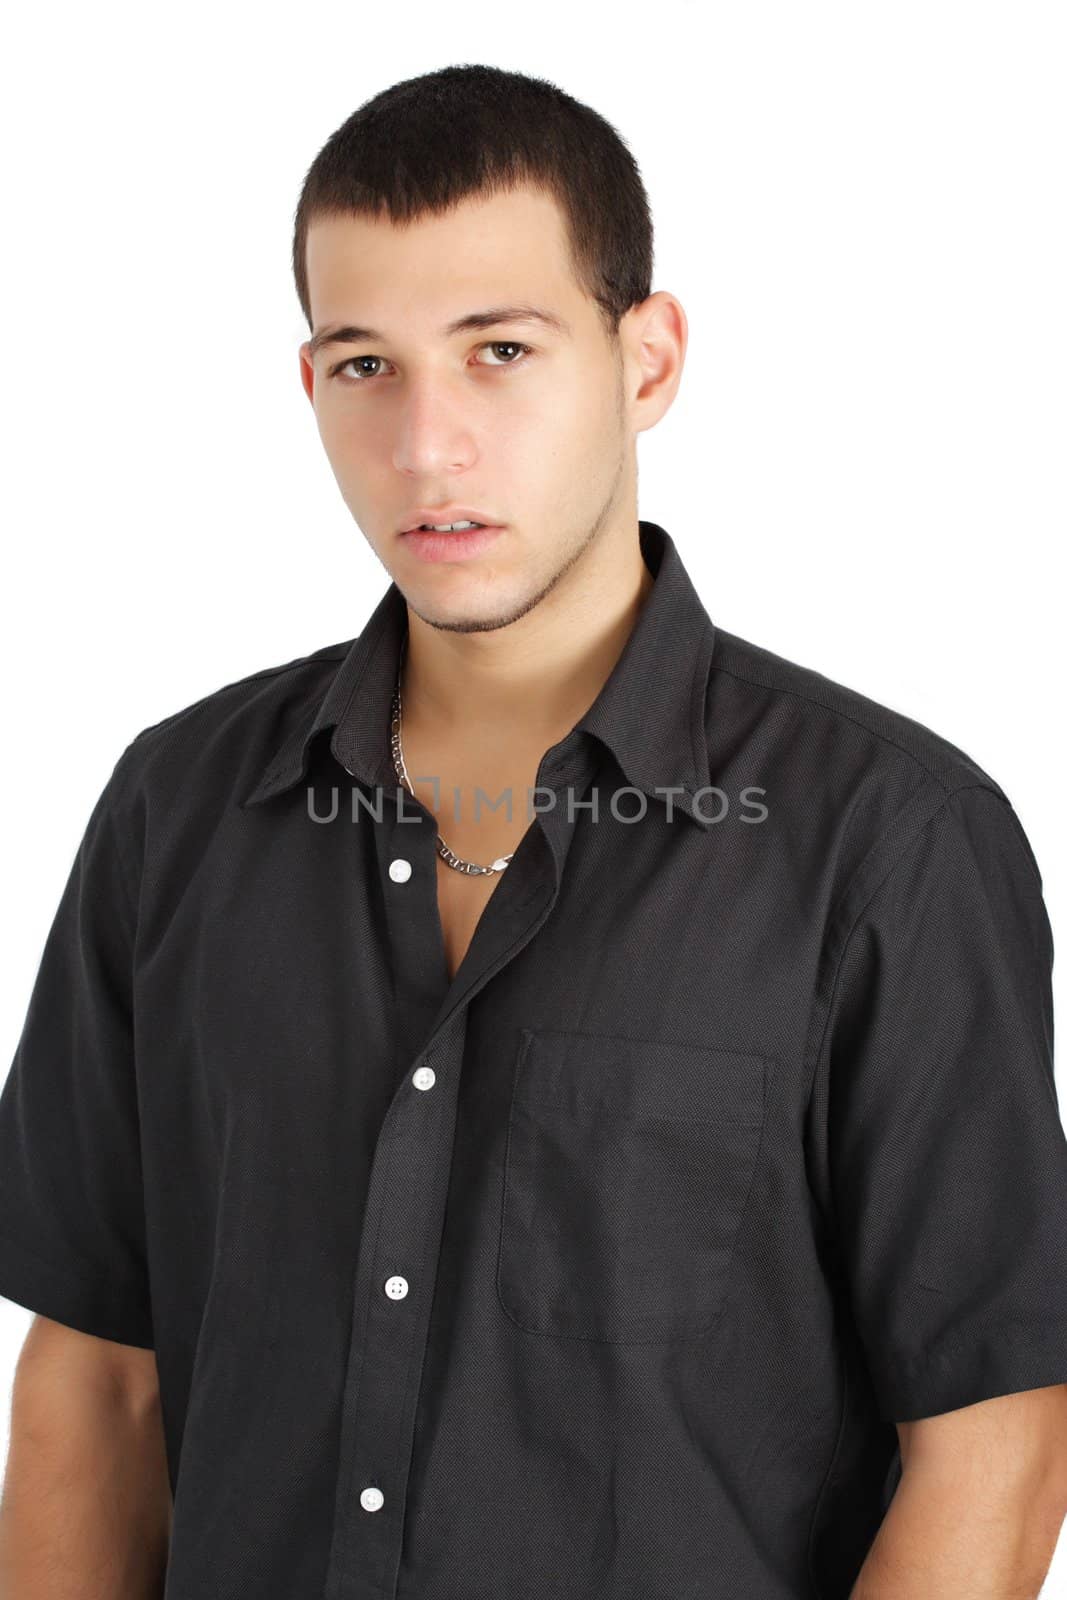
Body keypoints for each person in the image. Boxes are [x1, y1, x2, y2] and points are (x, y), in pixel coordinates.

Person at [1, 61, 1066, 1600]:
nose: (428, 447)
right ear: (311, 386)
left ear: (648, 360)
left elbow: (997, 1441)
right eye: (367, 366)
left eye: (499, 350)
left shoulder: (890, 842)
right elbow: (96, 1378)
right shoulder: (178, 810)